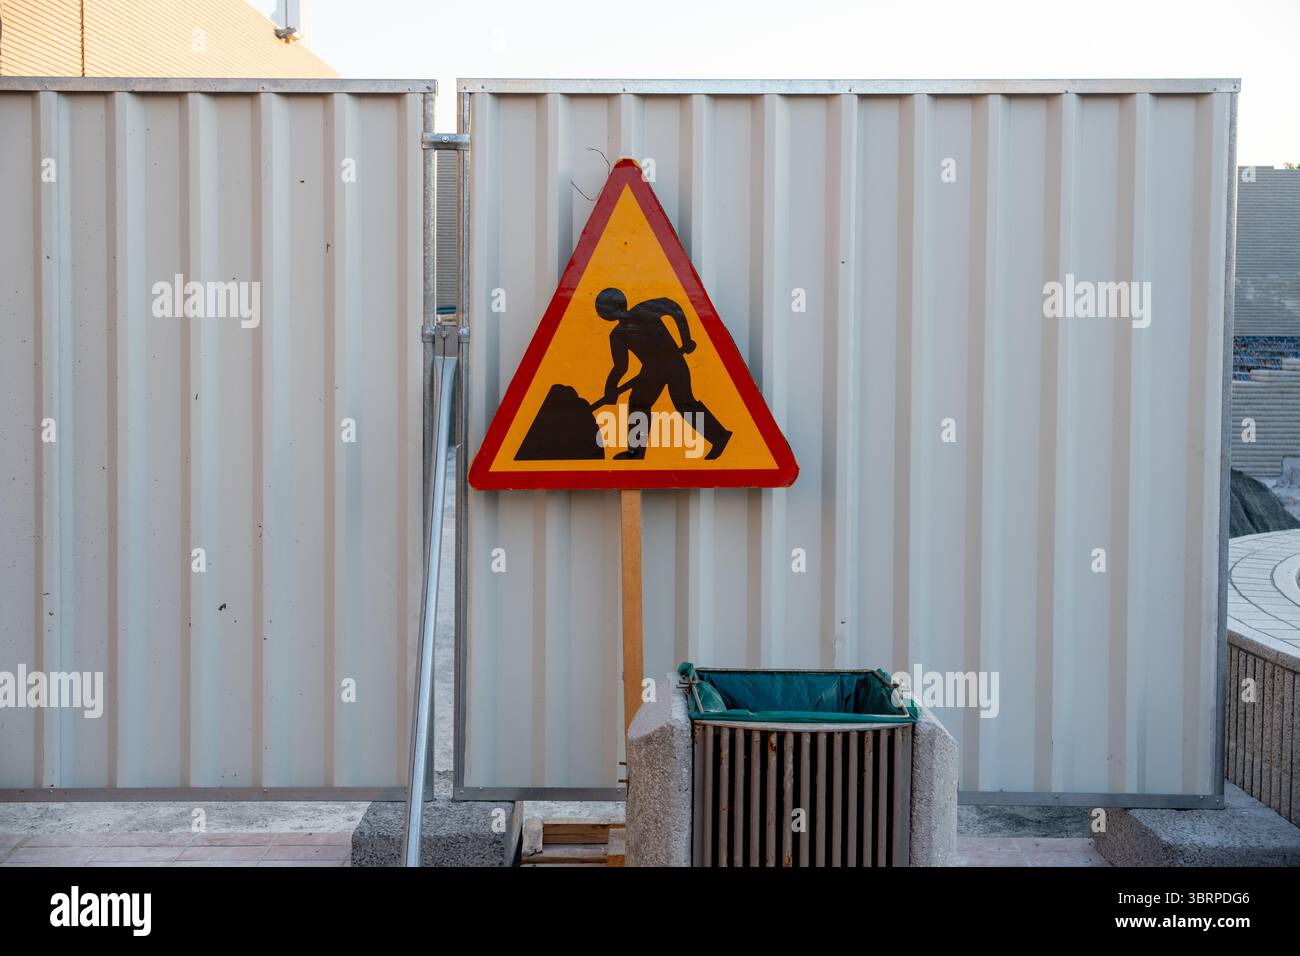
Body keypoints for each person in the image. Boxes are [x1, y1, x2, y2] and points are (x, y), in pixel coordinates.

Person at [594, 287, 731, 460]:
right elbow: (621, 367)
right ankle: (636, 452)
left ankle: (720, 436)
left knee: (683, 403)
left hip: (673, 362)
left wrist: (685, 339)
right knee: (638, 403)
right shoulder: (617, 335)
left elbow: (674, 308)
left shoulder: (644, 310)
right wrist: (610, 388)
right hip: (652, 370)